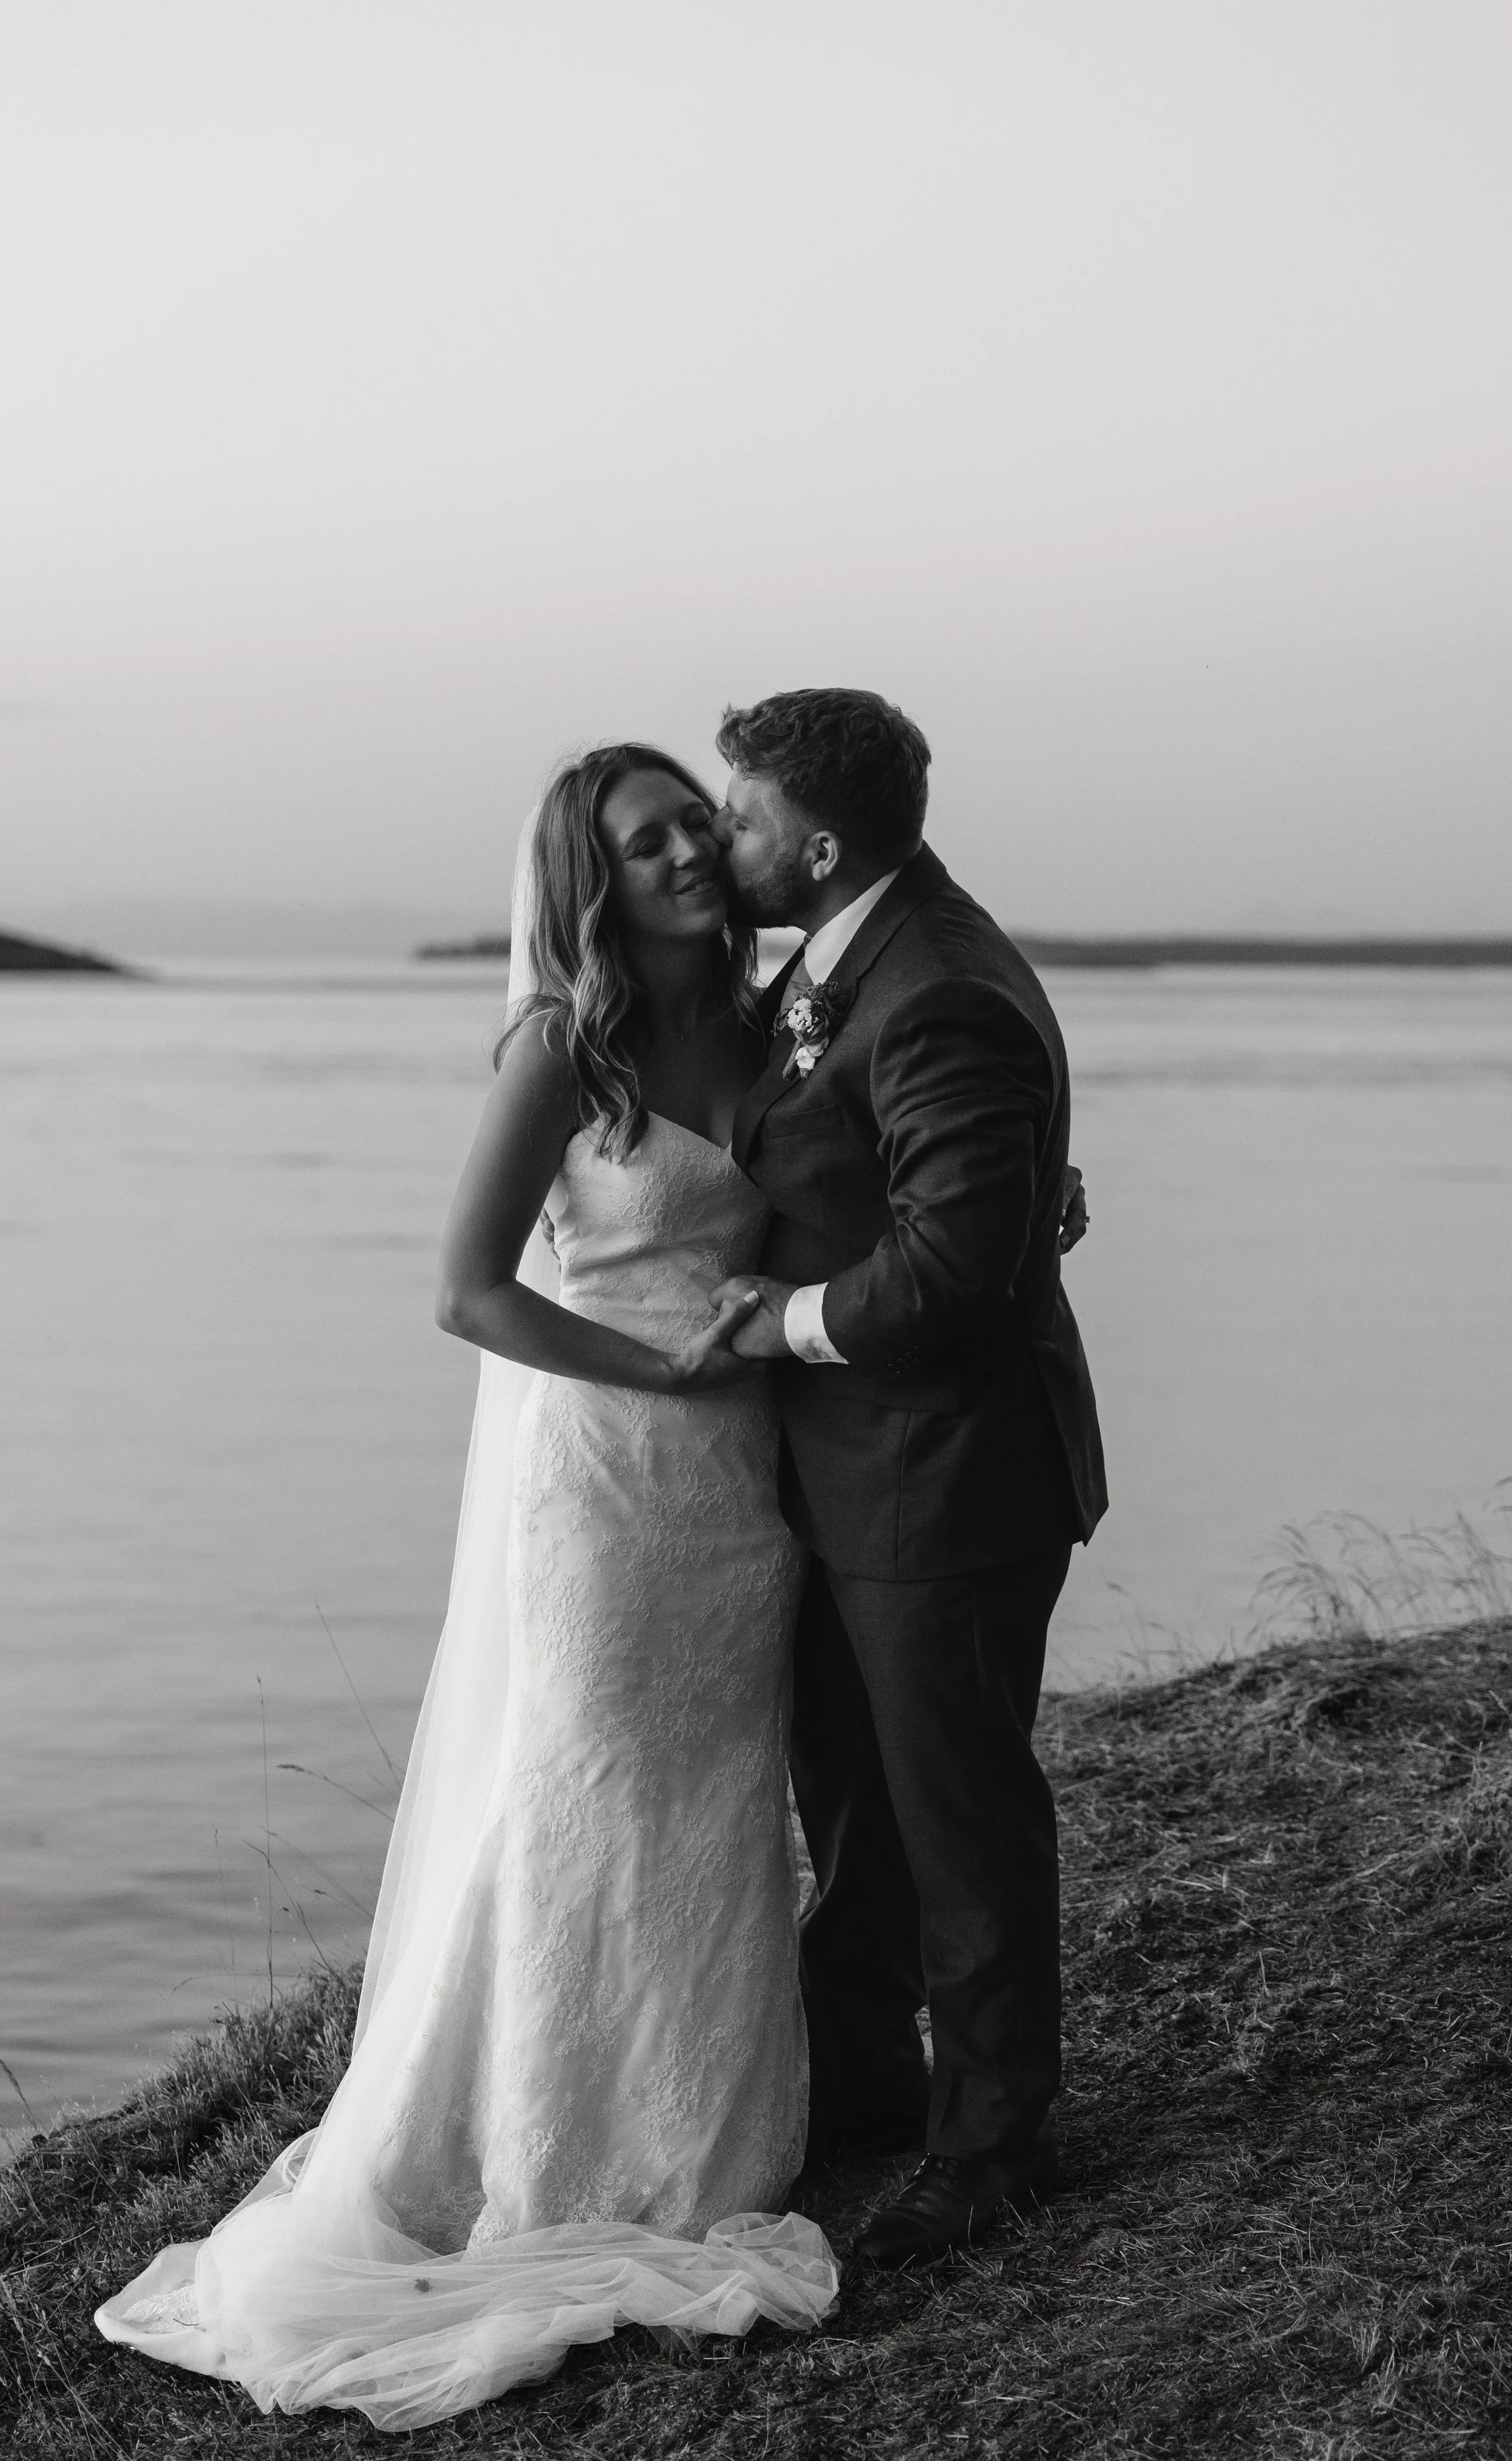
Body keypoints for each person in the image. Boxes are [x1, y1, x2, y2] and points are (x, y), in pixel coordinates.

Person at [94, 744, 839, 2435]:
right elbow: (464, 1294)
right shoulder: (555, 1056)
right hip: (602, 1482)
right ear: (586, 880)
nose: (684, 861)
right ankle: (536, 2150)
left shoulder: (773, 1016)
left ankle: (702, 2136)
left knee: (713, 1798)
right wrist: (662, 1375)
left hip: (742, 1497)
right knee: (575, 1797)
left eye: (691, 831)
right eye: (644, 845)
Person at [707, 687, 1107, 2265]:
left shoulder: (933, 986)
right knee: (857, 1806)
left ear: (810, 844)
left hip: (946, 1482)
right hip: (849, 1476)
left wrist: (781, 1321)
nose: (720, 838)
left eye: (736, 818)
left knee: (959, 1824)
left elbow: (950, 1265)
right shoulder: (839, 959)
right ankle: (870, 2085)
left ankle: (994, 2147)